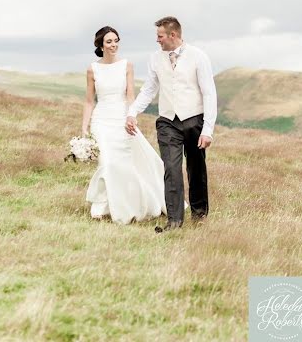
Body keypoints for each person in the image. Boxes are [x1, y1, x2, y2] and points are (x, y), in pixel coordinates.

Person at [125, 16, 217, 232]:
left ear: (173, 35)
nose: (157, 40)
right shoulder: (155, 59)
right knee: (171, 169)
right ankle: (174, 221)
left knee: (196, 168)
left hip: (195, 119)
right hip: (168, 122)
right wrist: (132, 112)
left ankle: (199, 214)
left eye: (160, 36)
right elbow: (149, 88)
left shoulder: (198, 57)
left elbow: (209, 93)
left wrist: (208, 130)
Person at [82, 26, 166, 224]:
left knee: (123, 163)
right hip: (101, 120)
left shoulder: (126, 65)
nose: (114, 45)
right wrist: (84, 128)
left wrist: (131, 116)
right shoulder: (92, 69)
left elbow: (130, 96)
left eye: (116, 40)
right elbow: (88, 101)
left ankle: (128, 203)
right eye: (109, 41)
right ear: (101, 45)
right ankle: (101, 205)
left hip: (121, 118)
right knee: (106, 161)